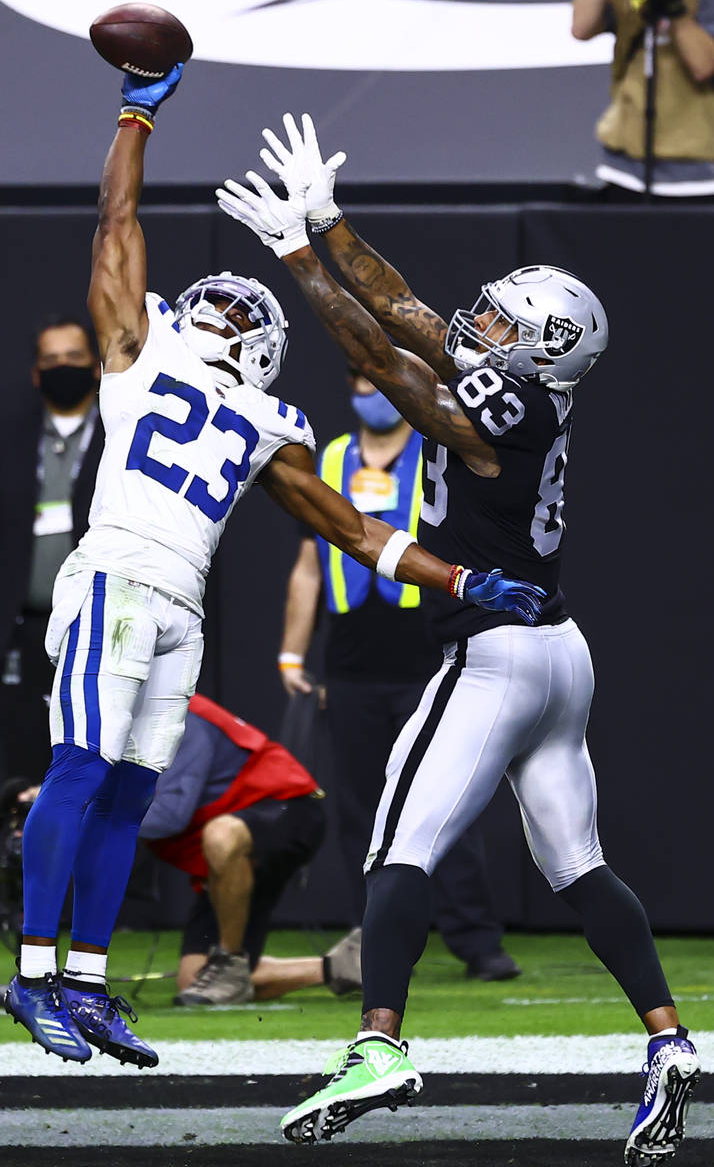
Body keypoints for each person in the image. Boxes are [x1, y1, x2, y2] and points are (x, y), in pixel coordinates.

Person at [4, 66, 544, 1074]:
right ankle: (37, 978)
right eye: (221, 308)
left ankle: (82, 981)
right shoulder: (147, 359)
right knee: (83, 774)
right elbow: (114, 222)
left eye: (231, 314)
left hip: (175, 605)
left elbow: (349, 529)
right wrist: (135, 113)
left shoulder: (246, 413)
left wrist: (457, 581)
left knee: (123, 792)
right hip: (117, 577)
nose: (218, 316)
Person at [216, 113, 701, 1165]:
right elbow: (400, 310)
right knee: (577, 868)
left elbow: (381, 356)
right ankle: (667, 1042)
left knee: (397, 842)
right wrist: (331, 222)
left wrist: (297, 257)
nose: (472, 325)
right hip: (557, 652)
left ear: (536, 350)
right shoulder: (526, 385)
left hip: (492, 651)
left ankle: (378, 1043)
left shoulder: (504, 404)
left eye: (496, 323)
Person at [279, 369, 520, 982]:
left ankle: (477, 940)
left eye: (377, 381)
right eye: (357, 381)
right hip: (351, 662)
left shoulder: (438, 452)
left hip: (426, 652)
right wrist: (291, 654)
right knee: (363, 807)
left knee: (448, 799)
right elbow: (310, 563)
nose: (370, 392)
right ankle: (375, 945)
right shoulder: (328, 457)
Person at [0, 692, 362, 1007]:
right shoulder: (122, 729)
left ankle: (230, 960)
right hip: (228, 850)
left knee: (221, 835)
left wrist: (67, 814)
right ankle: (341, 967)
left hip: (286, 810)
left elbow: (170, 816)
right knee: (195, 983)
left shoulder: (177, 717)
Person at [0, 317, 105, 785]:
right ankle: (28, 857)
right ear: (36, 374)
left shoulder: (123, 435)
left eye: (74, 358)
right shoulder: (9, 439)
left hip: (101, 627)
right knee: (26, 771)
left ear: (97, 367)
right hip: (24, 630)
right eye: (52, 361)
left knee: (99, 766)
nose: (63, 368)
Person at [571, 0, 714, 197]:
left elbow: (703, 65)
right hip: (624, 167)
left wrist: (672, 4)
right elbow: (581, 27)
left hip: (697, 170)